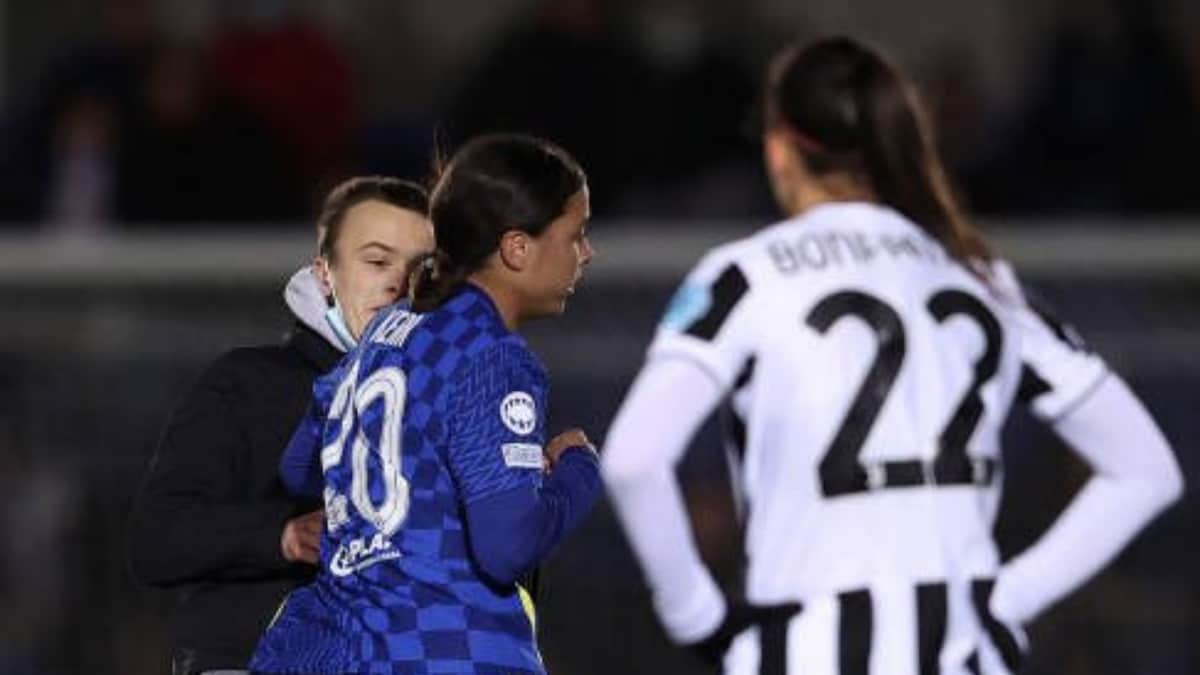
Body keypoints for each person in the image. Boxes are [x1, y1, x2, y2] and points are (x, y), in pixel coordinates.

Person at [601, 36, 1183, 675]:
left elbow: (633, 459)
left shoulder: (745, 277)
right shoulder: (982, 280)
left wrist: (696, 616)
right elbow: (1147, 469)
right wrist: (1008, 598)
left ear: (779, 147)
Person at [249, 133, 603, 674]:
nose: (586, 253)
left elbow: (300, 469)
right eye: (575, 234)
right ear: (517, 248)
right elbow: (507, 545)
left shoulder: (385, 330)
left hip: (324, 650)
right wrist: (577, 473)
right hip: (439, 649)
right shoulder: (491, 357)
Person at [128, 176, 434, 675]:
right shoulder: (245, 383)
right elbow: (157, 539)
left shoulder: (450, 402)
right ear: (325, 274)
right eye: (376, 261)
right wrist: (283, 536)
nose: (397, 282)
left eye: (422, 268)